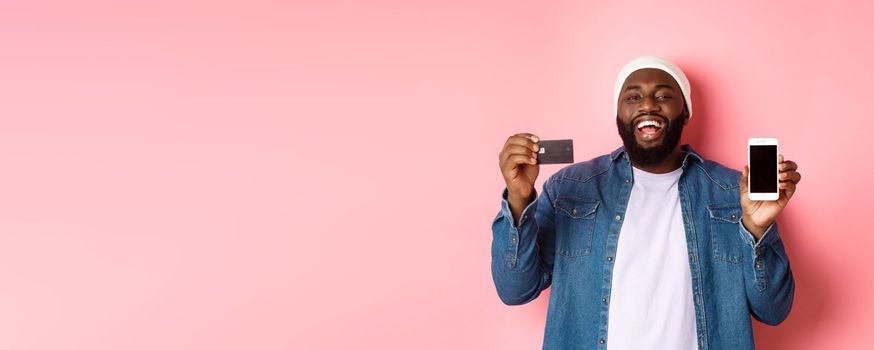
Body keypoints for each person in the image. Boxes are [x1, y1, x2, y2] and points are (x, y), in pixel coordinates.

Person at [491, 56, 800, 350]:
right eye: (634, 97)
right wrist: (518, 199)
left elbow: (773, 310)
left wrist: (757, 229)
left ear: (686, 111)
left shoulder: (733, 192)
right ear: (618, 113)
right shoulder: (571, 188)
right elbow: (516, 289)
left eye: (664, 95)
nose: (648, 104)